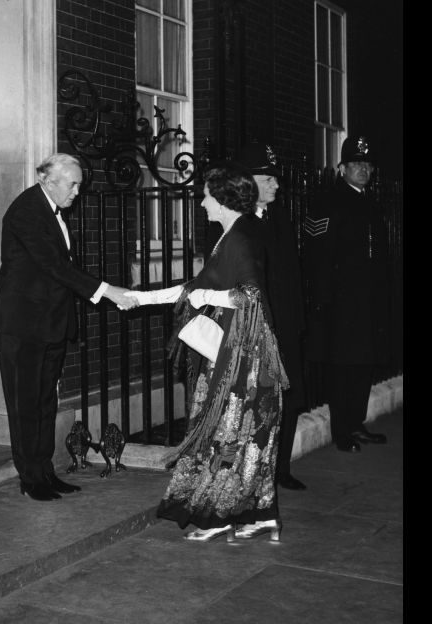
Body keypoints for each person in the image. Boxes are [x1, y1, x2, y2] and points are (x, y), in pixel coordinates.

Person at [128, 162, 289, 542]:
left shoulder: (240, 238)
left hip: (243, 356)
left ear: (223, 200)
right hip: (238, 348)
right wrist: (139, 297)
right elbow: (194, 285)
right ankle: (261, 512)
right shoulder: (234, 233)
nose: (201, 204)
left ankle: (217, 517)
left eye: (205, 197)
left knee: (228, 430)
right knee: (249, 434)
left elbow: (248, 294)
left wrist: (206, 296)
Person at [0, 153, 138, 501]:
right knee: (25, 404)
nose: (76, 192)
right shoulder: (26, 210)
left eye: (79, 184)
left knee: (43, 403)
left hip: (48, 322)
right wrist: (106, 290)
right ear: (47, 179)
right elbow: (54, 265)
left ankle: (44, 471)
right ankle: (30, 479)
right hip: (23, 324)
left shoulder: (50, 209)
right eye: (71, 184)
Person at [302, 136, 389, 453]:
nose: (363, 169)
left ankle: (356, 422)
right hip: (340, 304)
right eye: (356, 164)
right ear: (342, 168)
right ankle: (342, 430)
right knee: (342, 367)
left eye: (367, 165)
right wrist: (324, 302)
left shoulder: (370, 204)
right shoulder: (328, 202)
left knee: (363, 365)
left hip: (367, 303)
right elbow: (316, 255)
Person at [235, 140, 308, 491]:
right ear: (248, 182)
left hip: (287, 325)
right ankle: (252, 471)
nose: (277, 184)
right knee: (256, 401)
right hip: (257, 327)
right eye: (269, 178)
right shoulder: (236, 221)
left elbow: (293, 274)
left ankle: (280, 469)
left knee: (288, 399)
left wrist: (297, 322)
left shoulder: (281, 216)